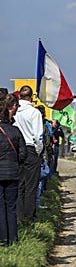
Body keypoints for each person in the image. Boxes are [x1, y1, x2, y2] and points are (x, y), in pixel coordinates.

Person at [13, 85, 43, 221]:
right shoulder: (34, 112)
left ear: (19, 96)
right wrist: (38, 150)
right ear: (31, 97)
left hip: (16, 148)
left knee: (19, 185)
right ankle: (29, 216)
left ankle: (19, 216)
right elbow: (38, 136)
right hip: (30, 148)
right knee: (31, 185)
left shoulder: (15, 111)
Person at [0, 95, 27, 246]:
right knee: (11, 207)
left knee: (0, 207)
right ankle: (13, 239)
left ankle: (2, 240)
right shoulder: (16, 131)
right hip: (12, 172)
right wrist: (15, 162)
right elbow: (23, 153)